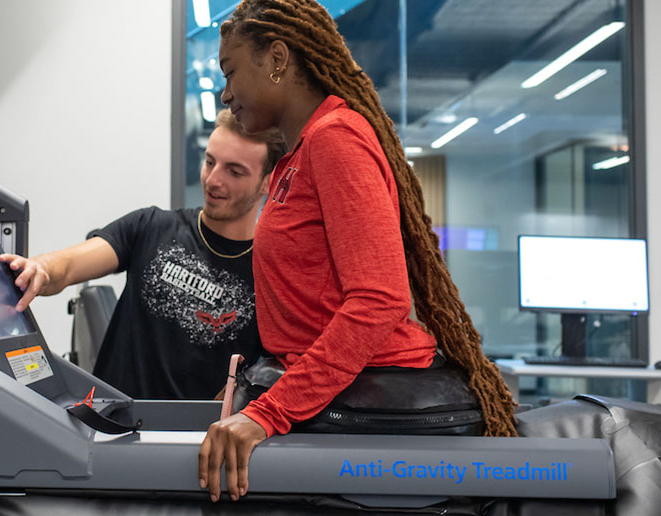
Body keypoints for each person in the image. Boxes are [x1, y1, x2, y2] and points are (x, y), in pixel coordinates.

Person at [196, 0, 519, 502]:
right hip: (326, 389)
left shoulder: (336, 139)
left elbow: (379, 300)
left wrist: (269, 411)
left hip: (372, 397)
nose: (225, 92)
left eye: (231, 71)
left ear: (277, 59)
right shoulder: (295, 156)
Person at [0, 108, 287, 400]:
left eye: (234, 171)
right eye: (210, 161)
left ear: (268, 181)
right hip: (112, 430)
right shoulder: (151, 226)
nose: (213, 179)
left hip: (193, 439)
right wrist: (39, 269)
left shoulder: (269, 276)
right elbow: (67, 266)